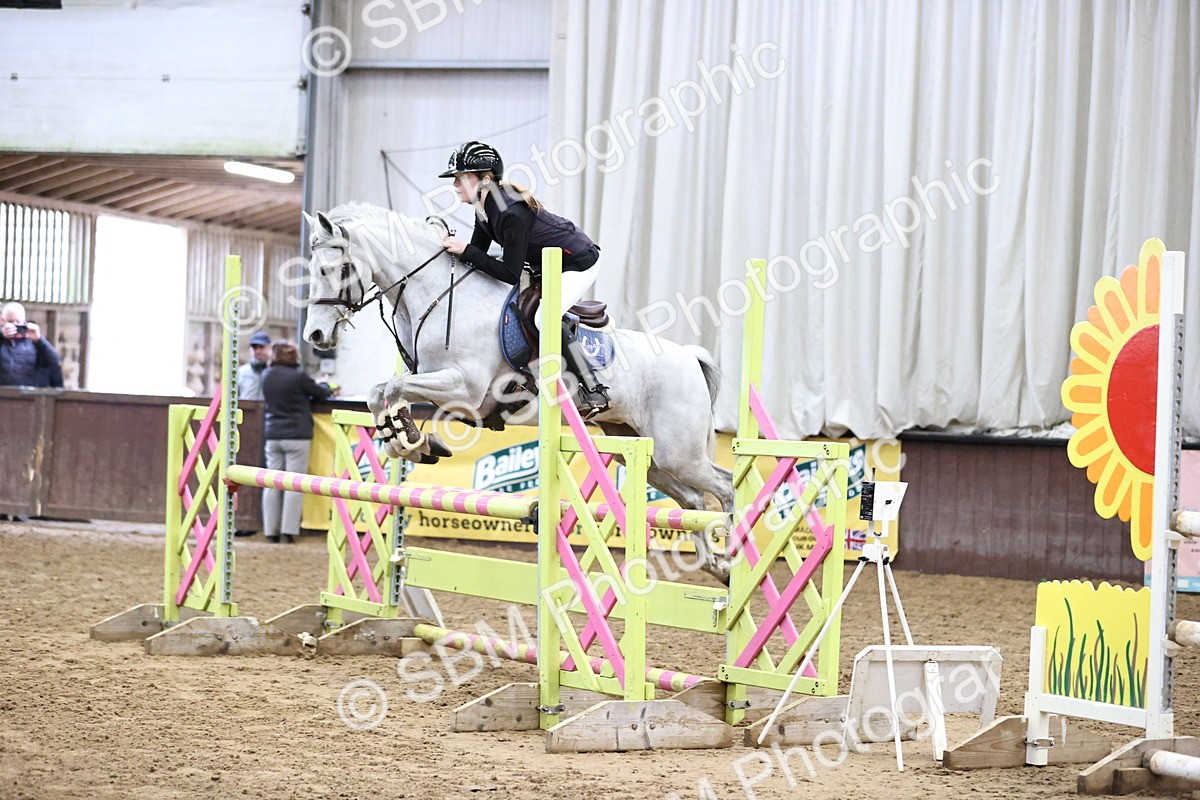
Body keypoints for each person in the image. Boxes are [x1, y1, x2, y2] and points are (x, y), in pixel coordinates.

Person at [437, 140, 610, 413]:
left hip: (579, 263)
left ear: (486, 178)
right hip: (547, 266)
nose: (455, 184)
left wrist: (465, 250)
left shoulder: (511, 212)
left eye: (461, 177)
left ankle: (593, 387)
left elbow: (508, 273)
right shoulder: (484, 208)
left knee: (543, 317)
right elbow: (477, 255)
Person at [260, 340, 331, 544]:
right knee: (294, 484)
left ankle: (270, 531)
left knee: (271, 484)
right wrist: (325, 384)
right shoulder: (298, 376)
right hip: (297, 436)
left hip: (273, 434)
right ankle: (288, 532)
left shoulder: (266, 375)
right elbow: (321, 393)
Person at [0, 302, 62, 388]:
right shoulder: (2, 341)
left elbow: (55, 360)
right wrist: (1, 336)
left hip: (28, 393)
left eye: (17, 321)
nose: (14, 325)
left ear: (24, 322)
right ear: (2, 321)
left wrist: (39, 339)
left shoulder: (33, 342)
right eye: (10, 321)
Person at [237, 330, 271, 401]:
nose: (258, 351)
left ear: (269, 348)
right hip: (244, 407)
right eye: (255, 348)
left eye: (261, 347)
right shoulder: (241, 372)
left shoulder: (272, 373)